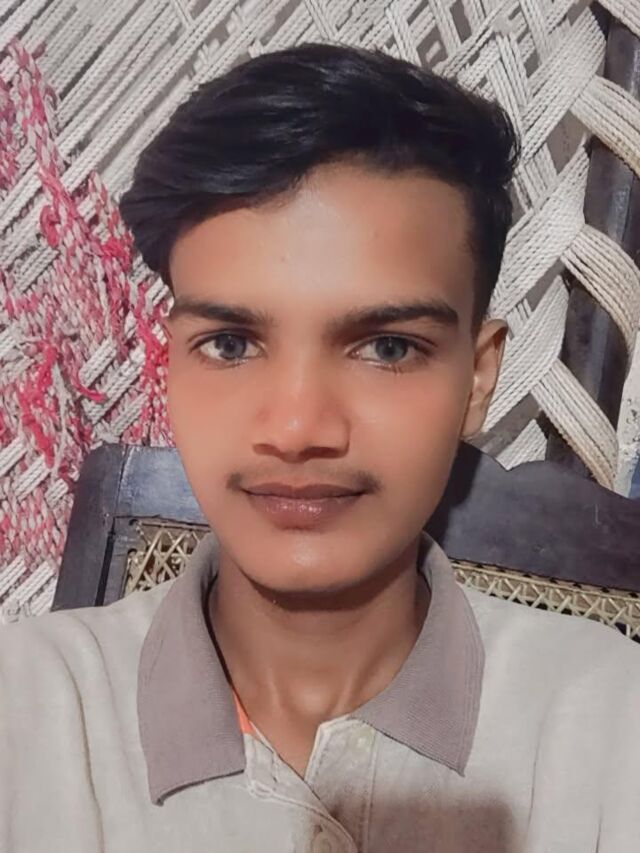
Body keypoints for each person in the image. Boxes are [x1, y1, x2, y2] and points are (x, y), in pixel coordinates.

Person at [2, 43, 639, 853]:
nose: (298, 429)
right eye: (230, 344)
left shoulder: (611, 721)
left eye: (388, 347)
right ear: (171, 361)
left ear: (478, 376)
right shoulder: (26, 706)